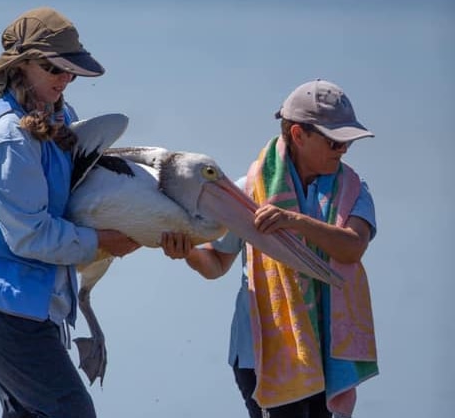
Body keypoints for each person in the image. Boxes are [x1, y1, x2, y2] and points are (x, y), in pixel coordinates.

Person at [0, 7, 140, 418]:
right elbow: (30, 236)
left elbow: (81, 195)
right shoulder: (6, 139)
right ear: (22, 66)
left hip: (30, 299)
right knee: (71, 411)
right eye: (54, 68)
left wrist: (145, 228)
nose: (65, 79)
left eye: (72, 71)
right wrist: (106, 243)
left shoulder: (60, 116)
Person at [162, 79, 379, 418]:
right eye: (335, 141)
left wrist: (293, 221)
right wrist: (186, 250)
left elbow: (352, 248)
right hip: (260, 353)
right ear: (298, 135)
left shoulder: (354, 190)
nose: (344, 150)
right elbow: (216, 263)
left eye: (347, 141)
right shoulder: (247, 191)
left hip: (326, 353)